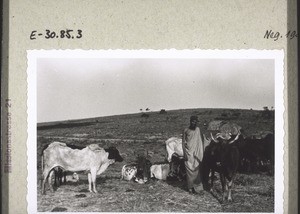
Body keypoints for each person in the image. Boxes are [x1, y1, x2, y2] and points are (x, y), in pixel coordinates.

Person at [182, 115, 204, 194]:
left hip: (196, 154)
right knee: (189, 172)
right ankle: (190, 188)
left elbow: (201, 141)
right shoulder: (186, 130)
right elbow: (183, 143)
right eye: (193, 121)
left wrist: (200, 152)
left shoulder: (198, 130)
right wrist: (184, 153)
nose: (194, 123)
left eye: (195, 122)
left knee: (196, 171)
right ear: (190, 121)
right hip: (188, 153)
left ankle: (198, 188)